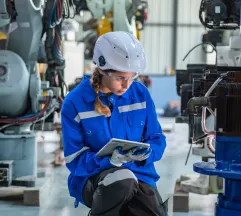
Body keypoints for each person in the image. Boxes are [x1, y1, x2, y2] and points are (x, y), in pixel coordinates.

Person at [61, 31, 168, 216]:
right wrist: (108, 161)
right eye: (120, 78)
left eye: (132, 77)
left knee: (151, 210)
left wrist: (148, 153)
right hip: (92, 178)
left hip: (140, 174)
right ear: (103, 70)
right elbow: (74, 160)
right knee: (121, 180)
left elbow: (156, 137)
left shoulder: (140, 94)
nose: (127, 85)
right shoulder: (75, 102)